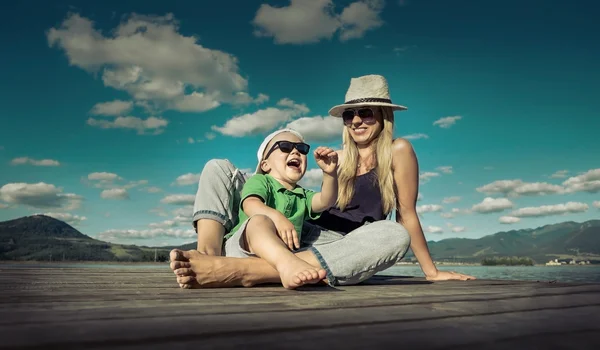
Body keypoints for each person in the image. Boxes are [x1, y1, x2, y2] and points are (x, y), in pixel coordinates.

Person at [170, 74, 475, 289]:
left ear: (383, 115)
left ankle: (242, 270)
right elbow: (312, 201)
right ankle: (209, 257)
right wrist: (324, 175)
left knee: (394, 234)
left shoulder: (398, 151)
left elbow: (407, 212)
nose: (356, 120)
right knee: (220, 168)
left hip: (344, 244)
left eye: (365, 112)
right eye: (349, 115)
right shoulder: (338, 158)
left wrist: (431, 272)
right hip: (303, 231)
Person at [221, 128, 339, 289]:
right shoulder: (262, 181)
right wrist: (277, 218)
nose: (296, 151)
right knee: (260, 220)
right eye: (285, 146)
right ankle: (288, 264)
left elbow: (326, 201)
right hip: (242, 248)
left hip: (270, 260)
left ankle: (282, 267)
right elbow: (250, 204)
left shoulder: (303, 195)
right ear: (265, 164)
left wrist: (330, 173)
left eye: (302, 149)